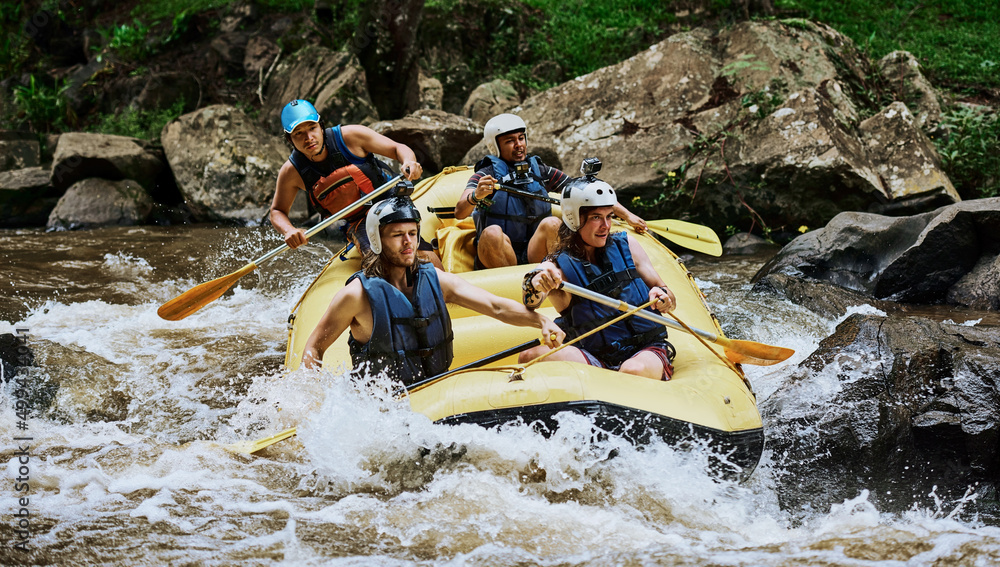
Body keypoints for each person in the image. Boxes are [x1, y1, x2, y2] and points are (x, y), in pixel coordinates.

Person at [302, 196, 565, 384]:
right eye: (397, 235)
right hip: (381, 406)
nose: (409, 243)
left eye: (413, 233)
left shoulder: (436, 279)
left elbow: (496, 306)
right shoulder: (356, 295)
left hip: (435, 390)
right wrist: (309, 397)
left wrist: (541, 320)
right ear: (377, 240)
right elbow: (314, 347)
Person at [517, 175, 677, 381]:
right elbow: (531, 296)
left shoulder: (627, 245)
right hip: (595, 357)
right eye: (596, 218)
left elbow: (669, 297)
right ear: (574, 219)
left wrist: (664, 297)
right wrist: (538, 283)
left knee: (632, 371)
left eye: (609, 216)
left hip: (646, 348)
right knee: (529, 357)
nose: (606, 225)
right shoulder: (556, 266)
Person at [455, 113, 647, 269]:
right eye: (510, 141)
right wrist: (475, 196)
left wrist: (628, 215)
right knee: (492, 233)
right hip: (499, 252)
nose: (519, 145)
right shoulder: (486, 175)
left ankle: (557, 276)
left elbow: (587, 193)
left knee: (552, 223)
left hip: (534, 250)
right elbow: (459, 212)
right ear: (495, 146)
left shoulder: (540, 171)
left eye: (521, 138)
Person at [269, 99, 441, 267]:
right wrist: (289, 230)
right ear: (290, 139)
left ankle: (440, 283)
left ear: (321, 126)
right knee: (379, 263)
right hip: (358, 221)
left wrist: (409, 161)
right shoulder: (291, 172)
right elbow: (277, 211)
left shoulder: (351, 136)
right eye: (298, 133)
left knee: (415, 250)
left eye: (312, 128)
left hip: (390, 201)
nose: (308, 138)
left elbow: (398, 148)